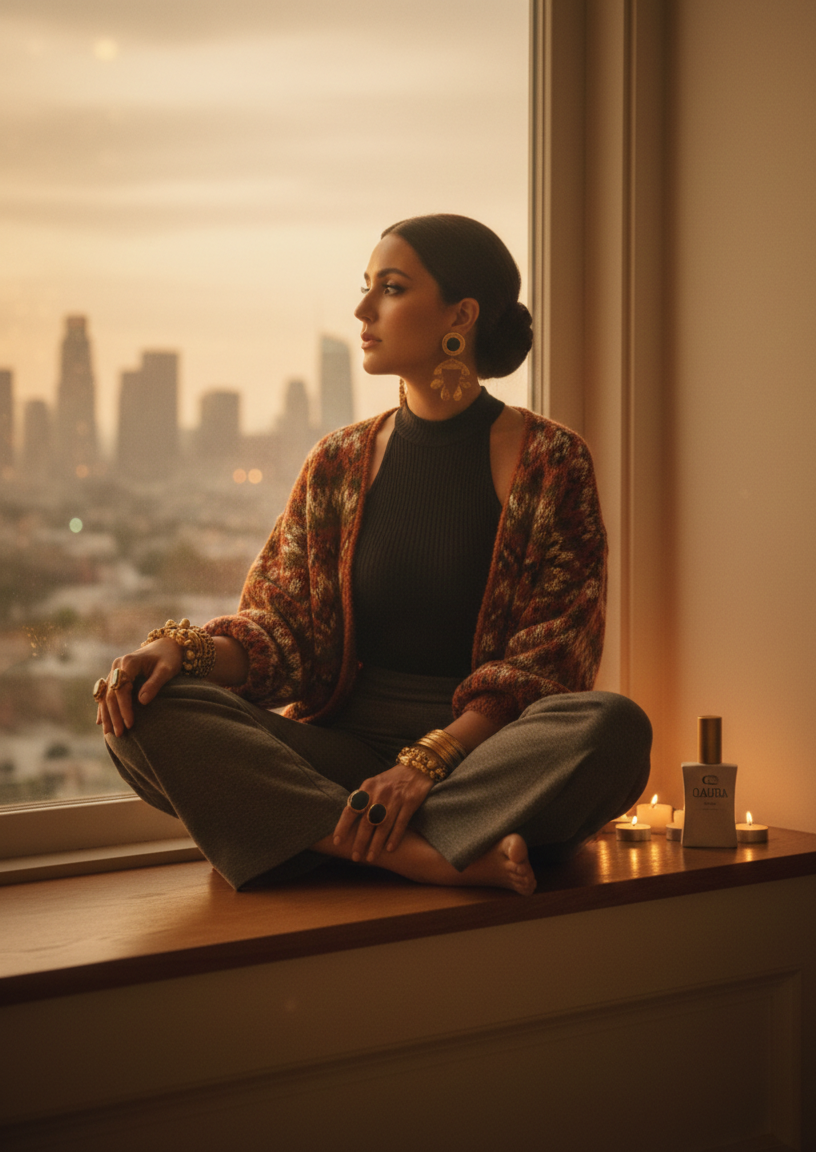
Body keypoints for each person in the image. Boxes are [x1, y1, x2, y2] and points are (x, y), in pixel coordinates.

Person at [96, 214, 651, 896]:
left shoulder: (551, 461)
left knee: (613, 728)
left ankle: (316, 834)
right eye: (366, 287)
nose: (363, 309)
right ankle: (412, 855)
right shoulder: (336, 462)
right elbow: (282, 630)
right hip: (341, 756)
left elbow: (552, 661)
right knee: (139, 706)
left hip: (484, 759)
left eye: (390, 288)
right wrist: (183, 652)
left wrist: (427, 762)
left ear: (462, 314)